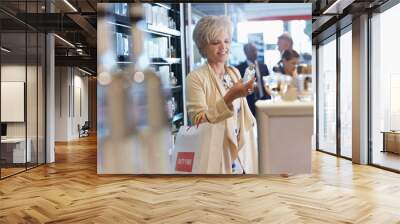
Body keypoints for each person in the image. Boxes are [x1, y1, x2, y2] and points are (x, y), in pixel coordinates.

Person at [186, 15, 258, 174]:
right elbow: (197, 120)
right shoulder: (195, 78)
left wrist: (245, 92)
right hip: (215, 153)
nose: (223, 46)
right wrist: (230, 96)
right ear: (203, 46)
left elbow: (240, 115)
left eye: (226, 41)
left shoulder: (234, 72)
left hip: (241, 154)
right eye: (215, 42)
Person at [236, 43, 270, 116]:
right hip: (248, 103)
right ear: (246, 52)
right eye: (252, 51)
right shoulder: (239, 69)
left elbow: (268, 83)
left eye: (255, 50)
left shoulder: (263, 66)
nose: (255, 53)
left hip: (264, 101)